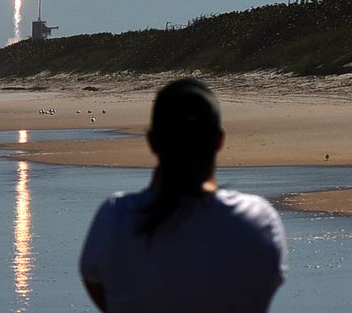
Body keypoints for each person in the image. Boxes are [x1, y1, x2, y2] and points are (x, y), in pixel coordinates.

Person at [79, 79, 287, 313]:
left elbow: (98, 285)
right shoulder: (257, 219)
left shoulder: (115, 216)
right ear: (219, 141)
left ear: (152, 141)